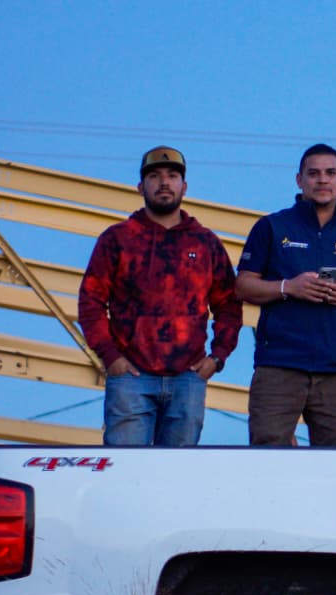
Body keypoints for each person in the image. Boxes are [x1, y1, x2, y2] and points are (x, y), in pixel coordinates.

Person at [78, 145, 242, 446]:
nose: (164, 182)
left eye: (172, 175)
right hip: (131, 377)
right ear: (141, 186)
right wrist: (111, 356)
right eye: (154, 176)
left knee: (175, 478)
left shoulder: (206, 243)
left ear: (184, 186)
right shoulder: (118, 239)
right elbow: (91, 300)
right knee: (126, 472)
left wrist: (217, 358)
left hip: (188, 377)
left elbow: (228, 304)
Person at [236, 143, 336, 446]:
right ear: (299, 179)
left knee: (331, 468)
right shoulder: (271, 227)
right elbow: (242, 286)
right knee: (268, 459)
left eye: (330, 173)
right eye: (313, 173)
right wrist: (288, 287)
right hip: (279, 367)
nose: (322, 180)